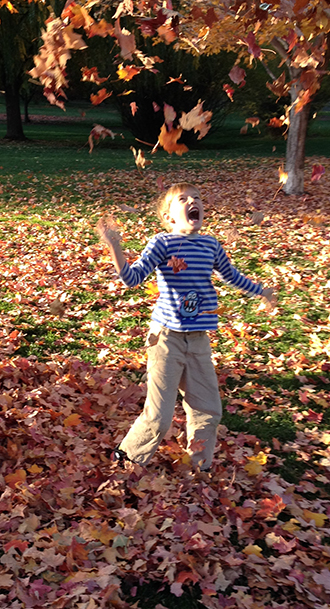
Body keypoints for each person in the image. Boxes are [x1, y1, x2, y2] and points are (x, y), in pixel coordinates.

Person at [96, 181, 276, 471]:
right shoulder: (162, 243)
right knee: (159, 416)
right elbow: (132, 278)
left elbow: (231, 275)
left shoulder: (210, 245)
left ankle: (199, 467)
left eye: (197, 198)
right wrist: (115, 246)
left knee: (209, 409)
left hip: (198, 340)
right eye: (183, 199)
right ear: (169, 217)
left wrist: (261, 291)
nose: (193, 201)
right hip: (166, 338)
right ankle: (126, 460)